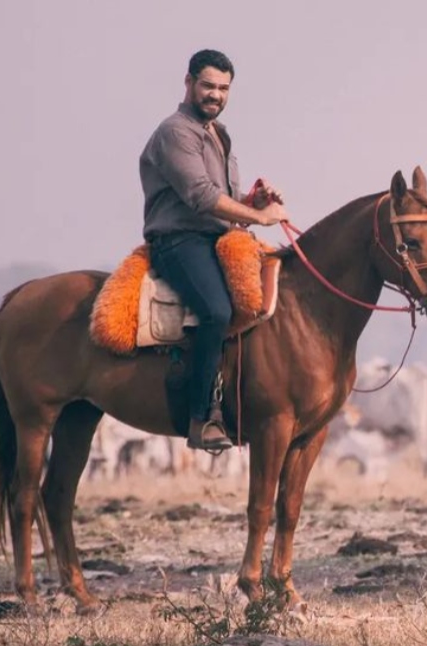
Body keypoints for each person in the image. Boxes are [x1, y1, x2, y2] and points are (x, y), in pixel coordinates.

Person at [139, 49, 289, 450]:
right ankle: (202, 418)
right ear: (188, 83)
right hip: (179, 241)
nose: (215, 95)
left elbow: (227, 195)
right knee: (217, 310)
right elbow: (202, 196)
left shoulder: (218, 134)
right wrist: (258, 218)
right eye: (208, 86)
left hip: (218, 241)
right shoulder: (175, 132)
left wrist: (254, 199)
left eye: (223, 89)